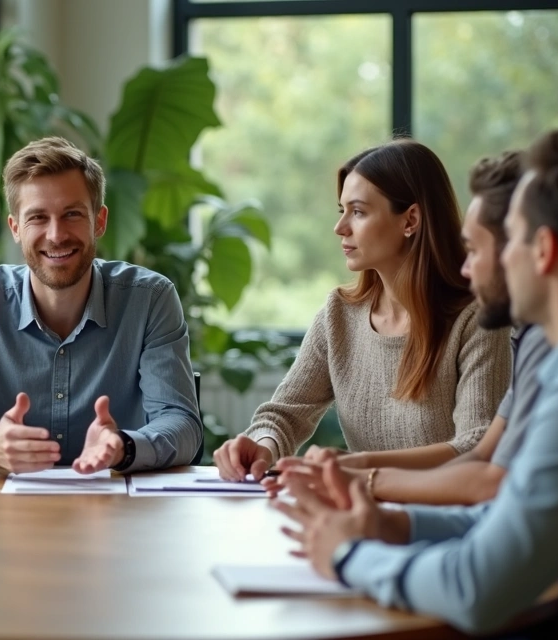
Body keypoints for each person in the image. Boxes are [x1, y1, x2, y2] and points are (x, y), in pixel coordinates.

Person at [276, 129, 558, 638]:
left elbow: (476, 587)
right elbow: (510, 515)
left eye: (504, 239)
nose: (475, 265)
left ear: (543, 251)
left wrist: (348, 555)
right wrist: (392, 525)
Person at [215, 139, 511, 481]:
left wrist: (357, 466)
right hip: (365, 509)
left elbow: (475, 448)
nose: (340, 227)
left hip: (447, 518)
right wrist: (262, 445)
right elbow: (283, 416)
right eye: (341, 211)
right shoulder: (339, 314)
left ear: (410, 219)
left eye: (357, 211)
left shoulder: (476, 319)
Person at [0, 137, 202, 474]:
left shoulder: (150, 299)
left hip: (115, 508)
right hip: (4, 512)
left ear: (99, 221)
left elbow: (182, 424)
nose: (56, 235)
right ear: (15, 229)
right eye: (37, 217)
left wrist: (123, 447)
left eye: (72, 214)